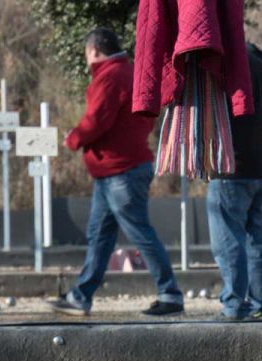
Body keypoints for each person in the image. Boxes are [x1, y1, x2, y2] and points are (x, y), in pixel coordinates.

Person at [50, 28, 184, 316]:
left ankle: (171, 294)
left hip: (119, 170)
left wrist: (74, 138)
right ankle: (80, 296)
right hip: (120, 170)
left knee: (139, 232)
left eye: (87, 55)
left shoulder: (109, 77)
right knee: (100, 235)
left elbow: (97, 120)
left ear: (94, 52)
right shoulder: (134, 71)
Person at [206, 43, 262, 320]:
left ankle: (234, 305)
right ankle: (261, 305)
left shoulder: (219, 70)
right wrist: (261, 143)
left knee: (228, 240)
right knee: (257, 240)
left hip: (229, 168)